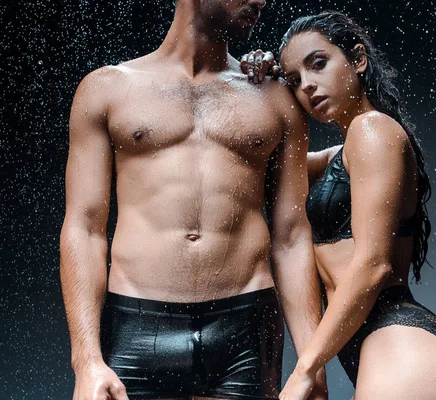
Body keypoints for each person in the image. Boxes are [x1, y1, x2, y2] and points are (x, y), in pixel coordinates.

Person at [59, 1, 328, 399]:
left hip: (246, 326)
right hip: (136, 325)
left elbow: (291, 236)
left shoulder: (276, 96)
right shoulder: (105, 89)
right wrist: (85, 360)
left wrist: (312, 363)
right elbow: (84, 228)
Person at [243, 10, 436, 400]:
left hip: (405, 347)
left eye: (319, 64)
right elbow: (266, 163)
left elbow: (373, 264)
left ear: (357, 60)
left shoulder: (373, 130)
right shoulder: (345, 151)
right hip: (385, 351)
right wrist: (262, 83)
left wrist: (305, 371)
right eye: (295, 81)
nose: (309, 86)